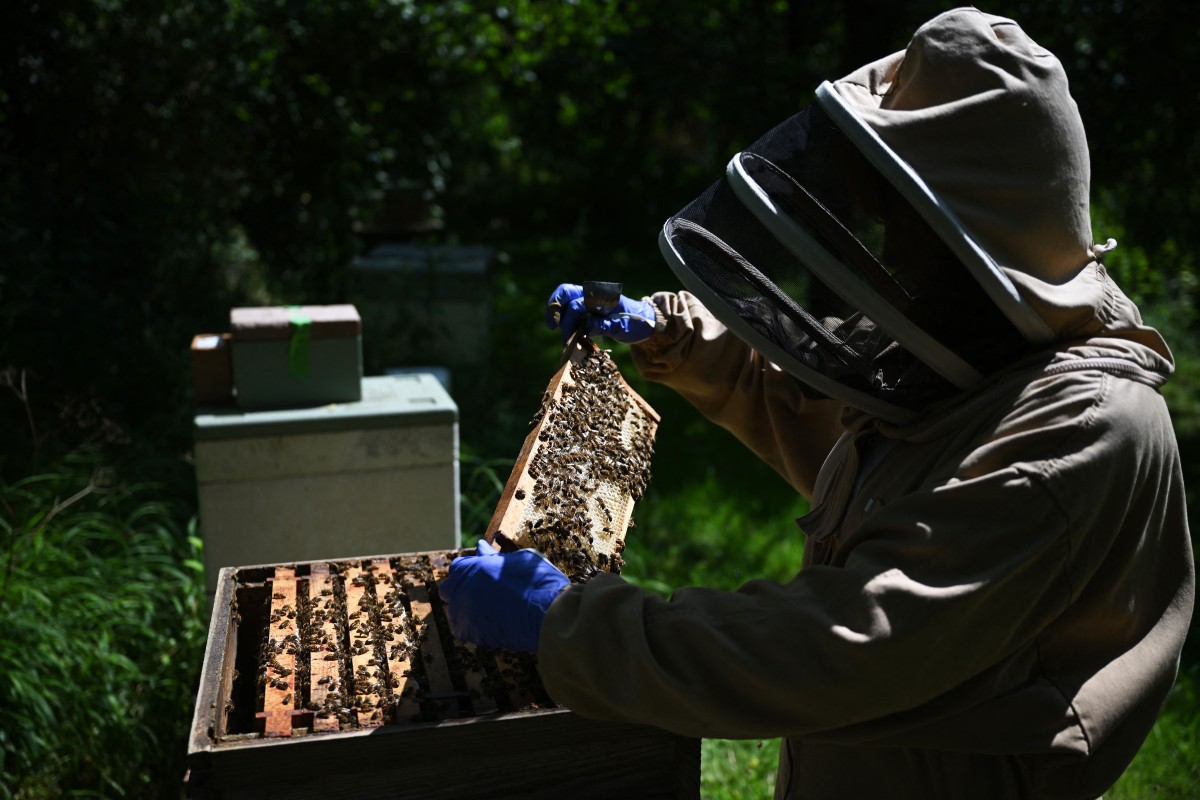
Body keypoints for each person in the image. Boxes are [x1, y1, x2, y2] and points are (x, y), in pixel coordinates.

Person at [440, 8, 1195, 798]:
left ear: (980, 235)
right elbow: (836, 432)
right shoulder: (981, 370)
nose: (889, 253)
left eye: (907, 228)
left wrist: (571, 629)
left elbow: (842, 646)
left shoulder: (1076, 429)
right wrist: (673, 333)